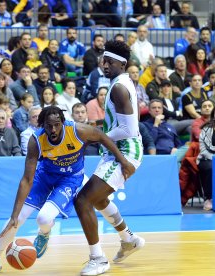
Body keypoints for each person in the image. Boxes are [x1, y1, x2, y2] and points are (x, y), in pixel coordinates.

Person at [0, 106, 135, 275]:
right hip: (45, 177)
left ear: (63, 122)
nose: (53, 129)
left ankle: (43, 234)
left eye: (57, 125)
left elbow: (102, 137)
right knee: (18, 219)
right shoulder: (35, 140)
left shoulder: (78, 131)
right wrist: (14, 214)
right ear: (42, 125)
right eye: (48, 126)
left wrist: (123, 161)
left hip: (69, 179)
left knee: (44, 219)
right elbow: (27, 179)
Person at [74, 40, 144, 276]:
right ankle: (128, 239)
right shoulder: (119, 82)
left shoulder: (119, 87)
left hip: (125, 151)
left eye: (109, 61)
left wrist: (96, 136)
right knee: (98, 199)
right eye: (103, 60)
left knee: (82, 200)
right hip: (116, 150)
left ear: (121, 64)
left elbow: (129, 129)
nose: (103, 64)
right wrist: (98, 130)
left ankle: (98, 259)